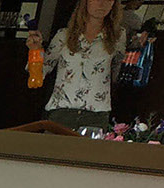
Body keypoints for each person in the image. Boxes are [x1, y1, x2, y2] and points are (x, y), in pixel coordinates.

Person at [27, 0, 126, 129]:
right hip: (62, 111)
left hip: (96, 114)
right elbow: (40, 72)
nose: (102, 4)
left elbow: (119, 72)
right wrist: (35, 50)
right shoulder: (64, 35)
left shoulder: (118, 36)